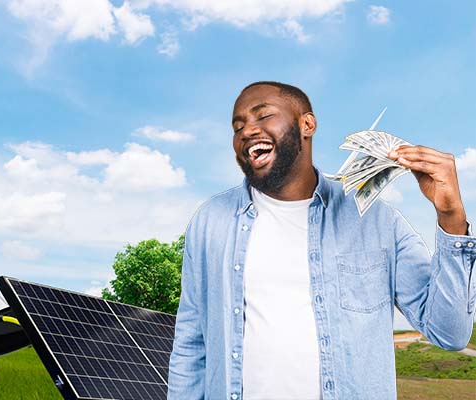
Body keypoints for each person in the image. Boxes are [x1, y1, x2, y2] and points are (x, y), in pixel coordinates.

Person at [167, 81, 476, 400]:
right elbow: (191, 346)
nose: (247, 131)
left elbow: (449, 332)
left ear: (307, 124)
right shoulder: (210, 221)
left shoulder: (377, 221)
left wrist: (451, 218)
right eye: (238, 126)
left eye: (263, 116)